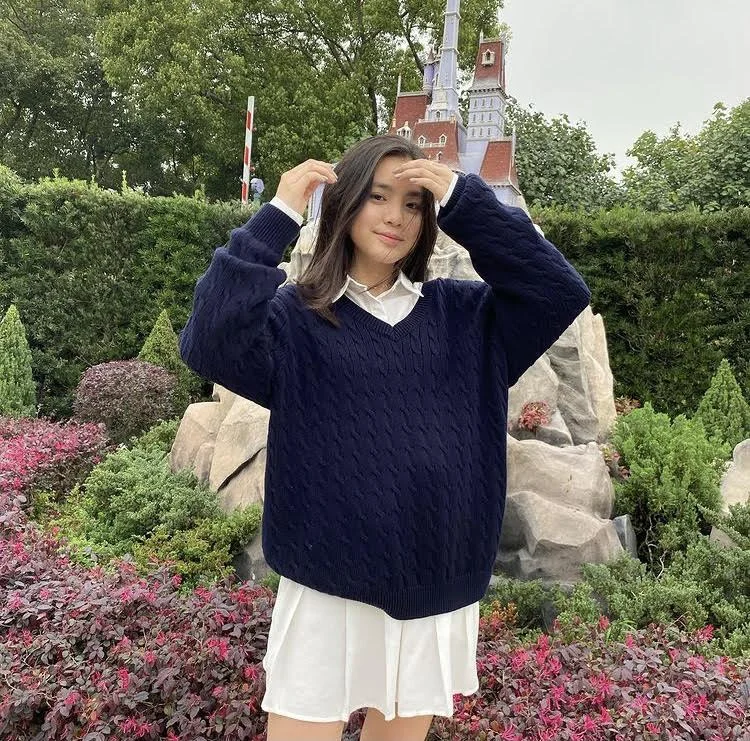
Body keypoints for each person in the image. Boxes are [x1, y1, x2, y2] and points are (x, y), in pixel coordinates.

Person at [178, 134, 591, 741]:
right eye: (377, 196)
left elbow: (559, 290)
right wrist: (279, 215)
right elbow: (209, 339)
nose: (396, 216)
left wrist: (466, 200)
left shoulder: (469, 318)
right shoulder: (296, 319)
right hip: (325, 584)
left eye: (413, 203)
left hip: (432, 585)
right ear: (345, 204)